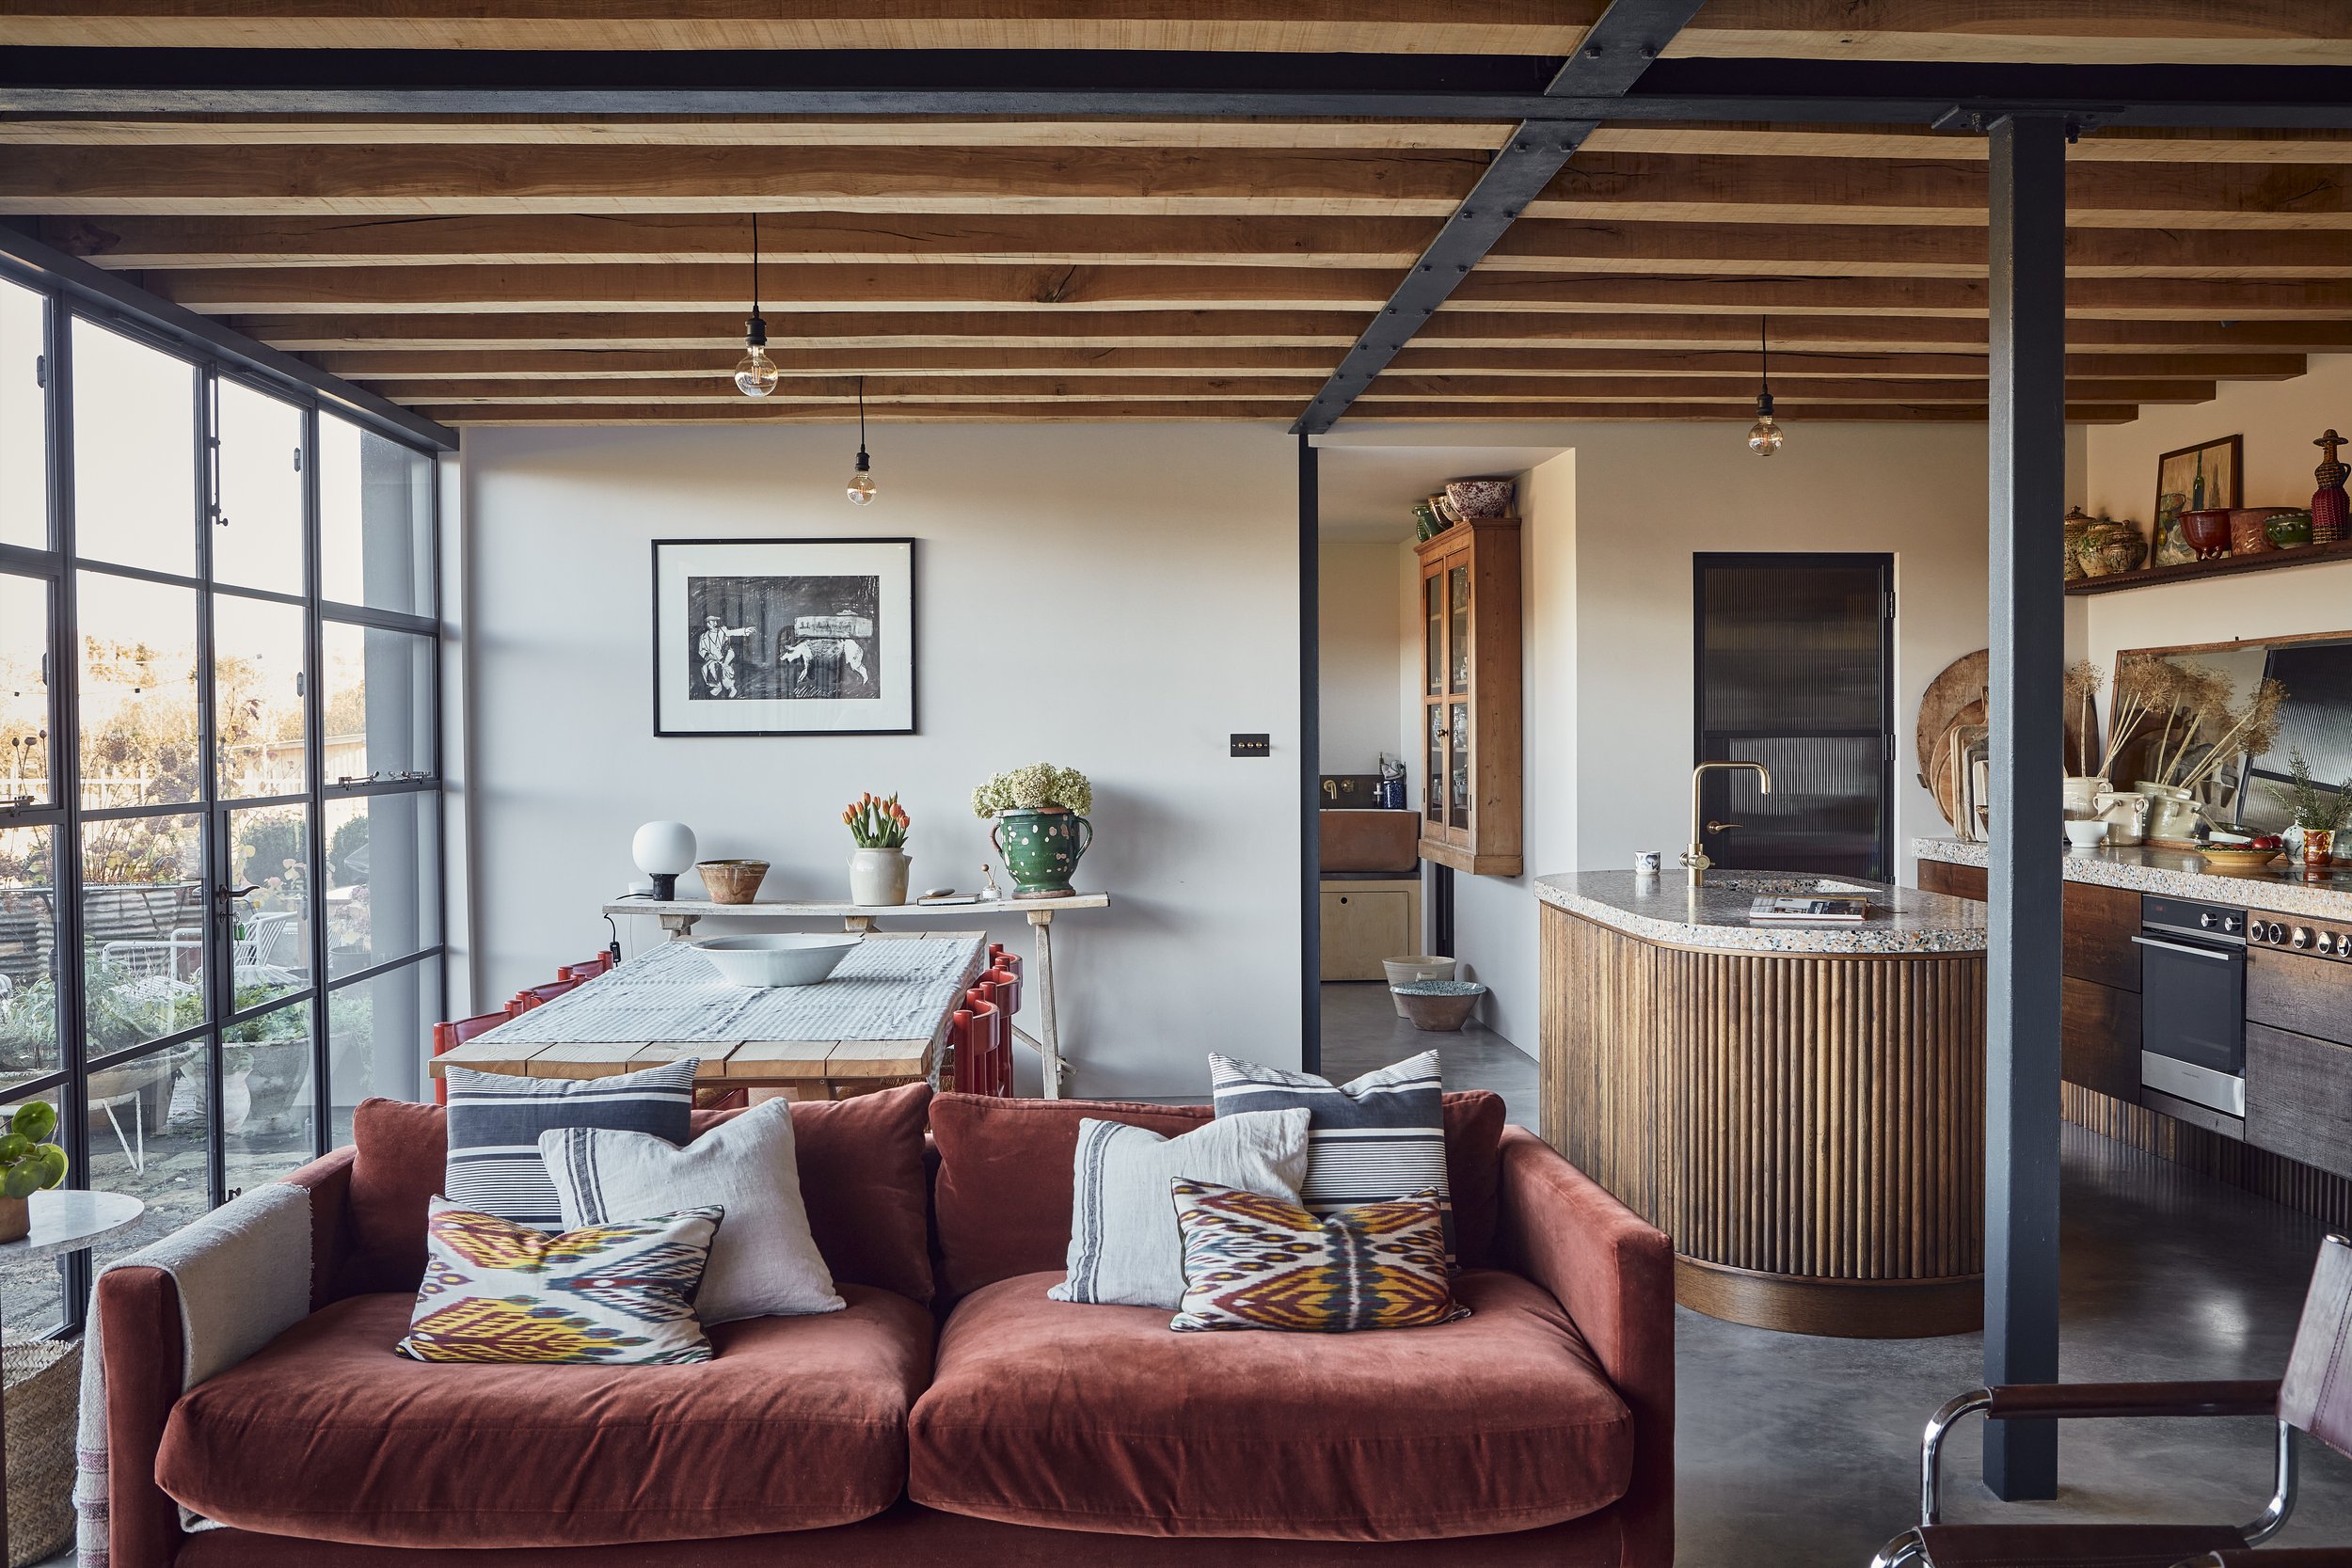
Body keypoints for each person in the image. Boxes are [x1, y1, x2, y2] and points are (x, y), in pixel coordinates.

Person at [697, 614, 755, 698]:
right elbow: (701, 650)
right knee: (708, 666)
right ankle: (717, 686)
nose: (714, 623)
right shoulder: (703, 637)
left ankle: (731, 687)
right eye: (712, 621)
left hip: (726, 653)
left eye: (715, 621)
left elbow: (733, 632)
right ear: (707, 623)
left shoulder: (722, 630)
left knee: (724, 666)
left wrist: (745, 630)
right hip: (713, 657)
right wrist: (709, 656)